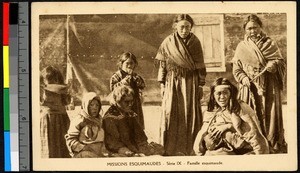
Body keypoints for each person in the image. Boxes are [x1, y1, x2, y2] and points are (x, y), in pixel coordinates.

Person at [232, 14, 287, 153]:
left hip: (269, 85)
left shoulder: (270, 43)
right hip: (249, 87)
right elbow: (236, 68)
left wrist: (273, 64)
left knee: (270, 113)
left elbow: (280, 62)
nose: (252, 31)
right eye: (249, 28)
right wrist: (243, 78)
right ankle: (254, 143)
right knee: (251, 114)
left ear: (260, 27)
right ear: (245, 29)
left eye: (255, 28)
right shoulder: (241, 46)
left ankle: (272, 143)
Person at [155, 14, 206, 156]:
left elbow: (200, 66)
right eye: (181, 27)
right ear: (175, 26)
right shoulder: (168, 42)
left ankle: (189, 147)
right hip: (172, 81)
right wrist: (162, 85)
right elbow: (162, 65)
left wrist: (201, 84)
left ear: (191, 28)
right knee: (172, 111)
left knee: (189, 112)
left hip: (190, 82)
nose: (184, 30)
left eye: (187, 27)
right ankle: (171, 148)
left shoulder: (195, 42)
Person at [193, 78, 269, 156]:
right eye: (218, 93)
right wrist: (199, 153)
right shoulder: (211, 111)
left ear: (231, 93)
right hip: (217, 149)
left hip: (240, 151)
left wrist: (228, 126)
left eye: (225, 93)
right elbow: (202, 133)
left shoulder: (240, 108)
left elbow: (254, 135)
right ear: (213, 95)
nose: (222, 97)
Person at [103, 85, 164, 157]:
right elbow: (113, 143)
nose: (130, 104)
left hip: (134, 147)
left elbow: (140, 135)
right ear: (117, 100)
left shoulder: (130, 114)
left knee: (161, 150)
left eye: (131, 101)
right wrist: (131, 152)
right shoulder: (110, 117)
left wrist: (145, 147)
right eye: (126, 102)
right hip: (120, 149)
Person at [65, 92, 109, 158]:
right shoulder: (79, 120)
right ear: (86, 105)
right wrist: (83, 147)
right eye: (91, 105)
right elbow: (70, 140)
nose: (95, 108)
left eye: (97, 105)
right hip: (84, 154)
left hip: (99, 153)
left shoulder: (100, 120)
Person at [40, 65, 71, 158]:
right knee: (49, 145)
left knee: (62, 145)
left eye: (55, 79)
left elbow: (66, 101)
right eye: (49, 80)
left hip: (61, 118)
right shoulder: (43, 90)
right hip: (49, 120)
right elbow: (42, 101)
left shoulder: (62, 90)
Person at [110, 52, 146, 129]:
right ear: (121, 64)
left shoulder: (135, 76)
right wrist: (122, 83)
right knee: (123, 125)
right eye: (127, 63)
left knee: (136, 125)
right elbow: (112, 89)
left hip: (134, 105)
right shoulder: (116, 76)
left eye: (132, 63)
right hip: (121, 105)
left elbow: (143, 86)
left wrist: (138, 81)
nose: (129, 66)